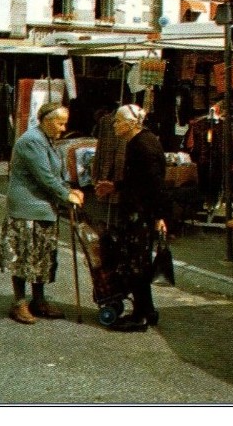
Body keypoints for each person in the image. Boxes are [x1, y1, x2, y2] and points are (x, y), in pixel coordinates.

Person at [0, 102, 84, 325]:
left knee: (41, 256)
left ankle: (39, 300)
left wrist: (68, 189)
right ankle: (20, 303)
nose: (63, 128)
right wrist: (66, 196)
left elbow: (55, 173)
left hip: (44, 208)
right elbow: (44, 176)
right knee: (24, 256)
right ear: (46, 120)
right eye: (60, 123)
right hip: (28, 208)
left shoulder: (47, 140)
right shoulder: (32, 140)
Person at [95, 104, 169, 332]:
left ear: (131, 123)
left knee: (137, 264)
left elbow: (155, 185)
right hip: (137, 211)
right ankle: (146, 310)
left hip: (142, 214)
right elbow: (138, 180)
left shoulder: (144, 145)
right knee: (137, 263)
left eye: (118, 121)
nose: (115, 125)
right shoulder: (136, 142)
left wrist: (159, 216)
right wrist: (114, 186)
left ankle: (140, 317)